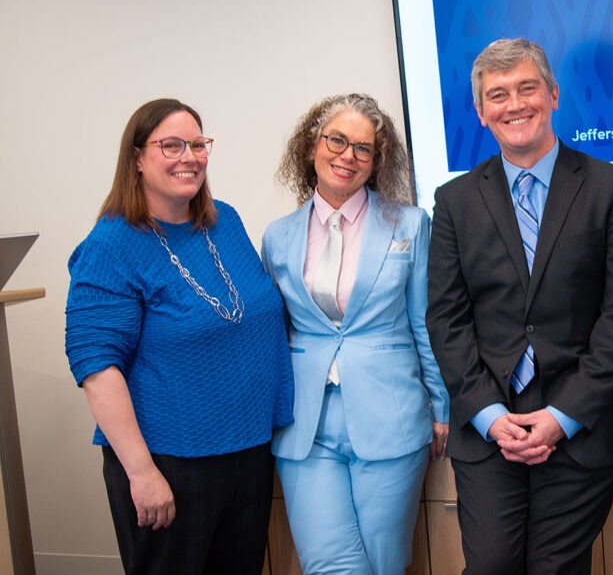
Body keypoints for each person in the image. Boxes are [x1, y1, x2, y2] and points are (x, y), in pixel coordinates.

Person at [427, 38, 613, 574]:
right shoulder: (454, 202)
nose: (515, 104)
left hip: (584, 422)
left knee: (553, 568)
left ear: (553, 95)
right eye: (498, 95)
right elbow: (446, 318)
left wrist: (562, 416)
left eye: (528, 88)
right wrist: (488, 415)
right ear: (482, 114)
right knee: (492, 566)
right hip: (490, 425)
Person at [64, 98, 294, 575]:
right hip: (169, 462)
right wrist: (142, 473)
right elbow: (96, 367)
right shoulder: (110, 245)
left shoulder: (223, 221)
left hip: (247, 451)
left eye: (197, 144)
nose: (188, 156)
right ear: (136, 158)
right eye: (170, 145)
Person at [261, 93, 449, 575]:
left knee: (384, 565)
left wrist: (441, 406)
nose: (348, 155)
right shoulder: (278, 236)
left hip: (392, 417)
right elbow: (274, 333)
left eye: (363, 149)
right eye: (337, 140)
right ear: (311, 147)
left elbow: (423, 320)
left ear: (376, 162)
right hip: (306, 425)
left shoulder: (409, 224)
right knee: (328, 565)